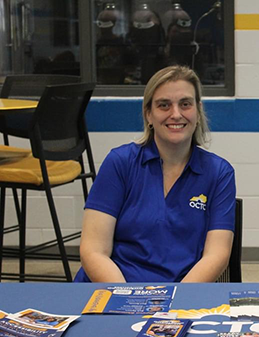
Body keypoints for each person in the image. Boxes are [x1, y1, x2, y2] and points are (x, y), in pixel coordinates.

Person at [75, 65, 235, 283]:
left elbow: (216, 256)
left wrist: (175, 303)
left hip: (181, 295)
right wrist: (127, 300)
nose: (176, 114)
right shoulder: (120, 163)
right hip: (113, 290)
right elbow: (94, 251)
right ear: (148, 114)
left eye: (185, 104)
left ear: (198, 112)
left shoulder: (219, 173)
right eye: (164, 105)